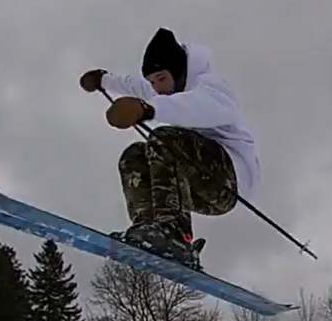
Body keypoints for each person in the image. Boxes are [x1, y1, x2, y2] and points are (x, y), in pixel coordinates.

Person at [79, 28, 260, 268]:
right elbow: (134, 86)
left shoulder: (212, 87)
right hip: (196, 186)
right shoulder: (164, 88)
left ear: (178, 71)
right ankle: (147, 229)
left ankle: (175, 234)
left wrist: (148, 110)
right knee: (133, 155)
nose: (156, 88)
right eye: (152, 82)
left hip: (230, 181)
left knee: (164, 139)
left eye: (161, 78)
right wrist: (102, 80)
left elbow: (196, 107)